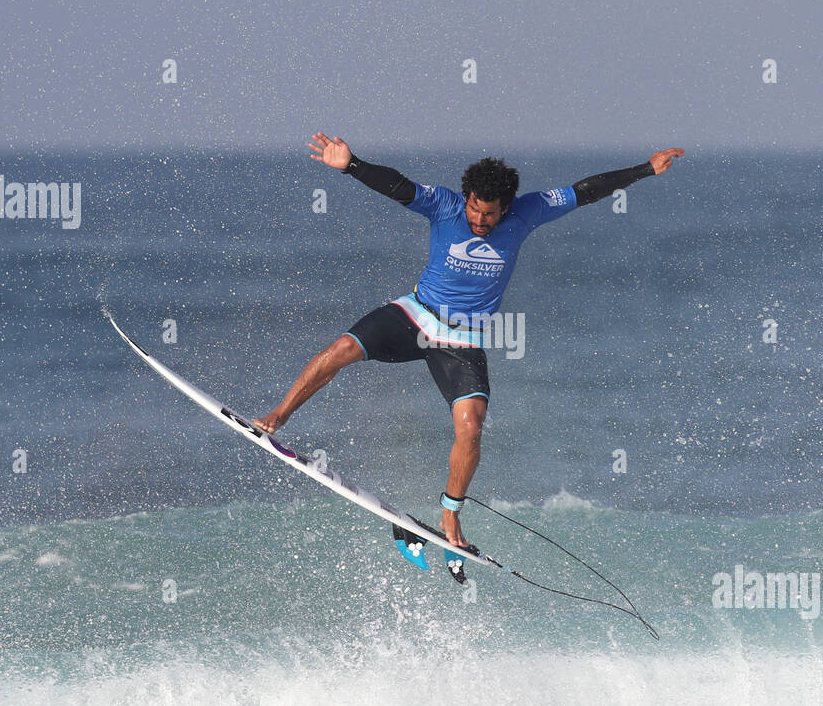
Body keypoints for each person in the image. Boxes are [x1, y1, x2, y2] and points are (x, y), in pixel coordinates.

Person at [254, 132, 684, 549]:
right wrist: (351, 166)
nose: (480, 221)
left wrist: (645, 169)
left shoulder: (529, 212)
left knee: (470, 427)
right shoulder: (444, 205)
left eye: (489, 215)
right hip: (415, 314)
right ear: (467, 200)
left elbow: (585, 190)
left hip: (463, 340)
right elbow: (399, 187)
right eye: (475, 211)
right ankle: (276, 417)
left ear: (506, 208)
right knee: (341, 350)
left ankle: (449, 514)